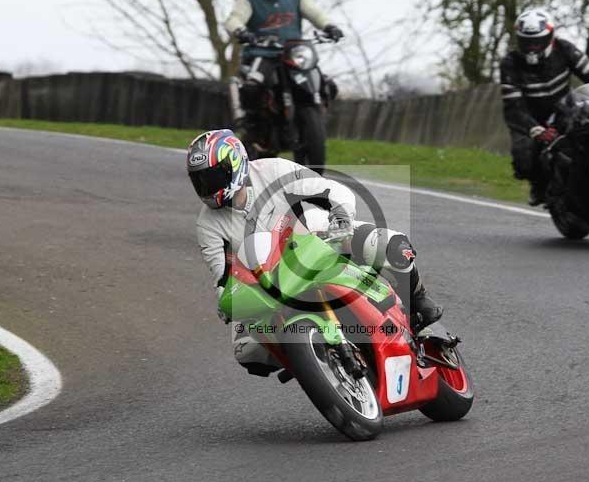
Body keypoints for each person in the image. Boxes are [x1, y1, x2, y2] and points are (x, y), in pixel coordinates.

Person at [187, 129, 442, 373]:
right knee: (247, 350)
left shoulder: (272, 170)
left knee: (392, 246)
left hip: (319, 241)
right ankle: (313, 359)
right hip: (272, 283)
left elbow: (328, 189)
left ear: (235, 165)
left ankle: (417, 301)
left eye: (212, 178)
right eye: (199, 181)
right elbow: (222, 277)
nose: (206, 187)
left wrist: (340, 214)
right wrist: (229, 304)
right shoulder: (207, 225)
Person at [500, 8, 589, 206]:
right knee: (524, 158)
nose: (532, 47)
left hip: (564, 108)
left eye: (537, 41)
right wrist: (535, 129)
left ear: (550, 37)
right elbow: (513, 107)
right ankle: (539, 185)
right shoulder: (510, 63)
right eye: (527, 41)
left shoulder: (564, 48)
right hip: (531, 118)